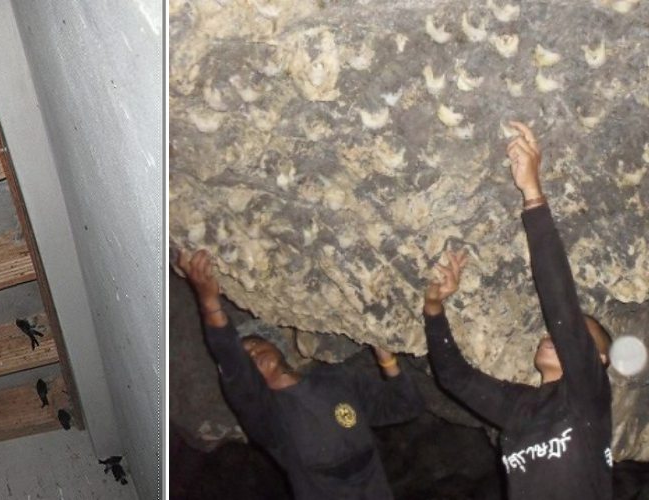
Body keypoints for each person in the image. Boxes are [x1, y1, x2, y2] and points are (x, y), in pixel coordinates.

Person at [422, 122, 613, 500]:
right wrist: (433, 308)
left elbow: (561, 307)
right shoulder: (519, 409)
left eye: (579, 335)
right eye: (555, 332)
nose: (554, 334)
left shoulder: (588, 398)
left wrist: (533, 195)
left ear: (601, 360)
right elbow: (454, 377)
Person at [174, 248, 424, 499]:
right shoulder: (267, 416)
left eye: (255, 344)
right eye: (246, 356)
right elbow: (233, 366)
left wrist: (386, 359)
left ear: (275, 345)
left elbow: (405, 406)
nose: (253, 353)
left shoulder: (337, 379)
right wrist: (210, 303)